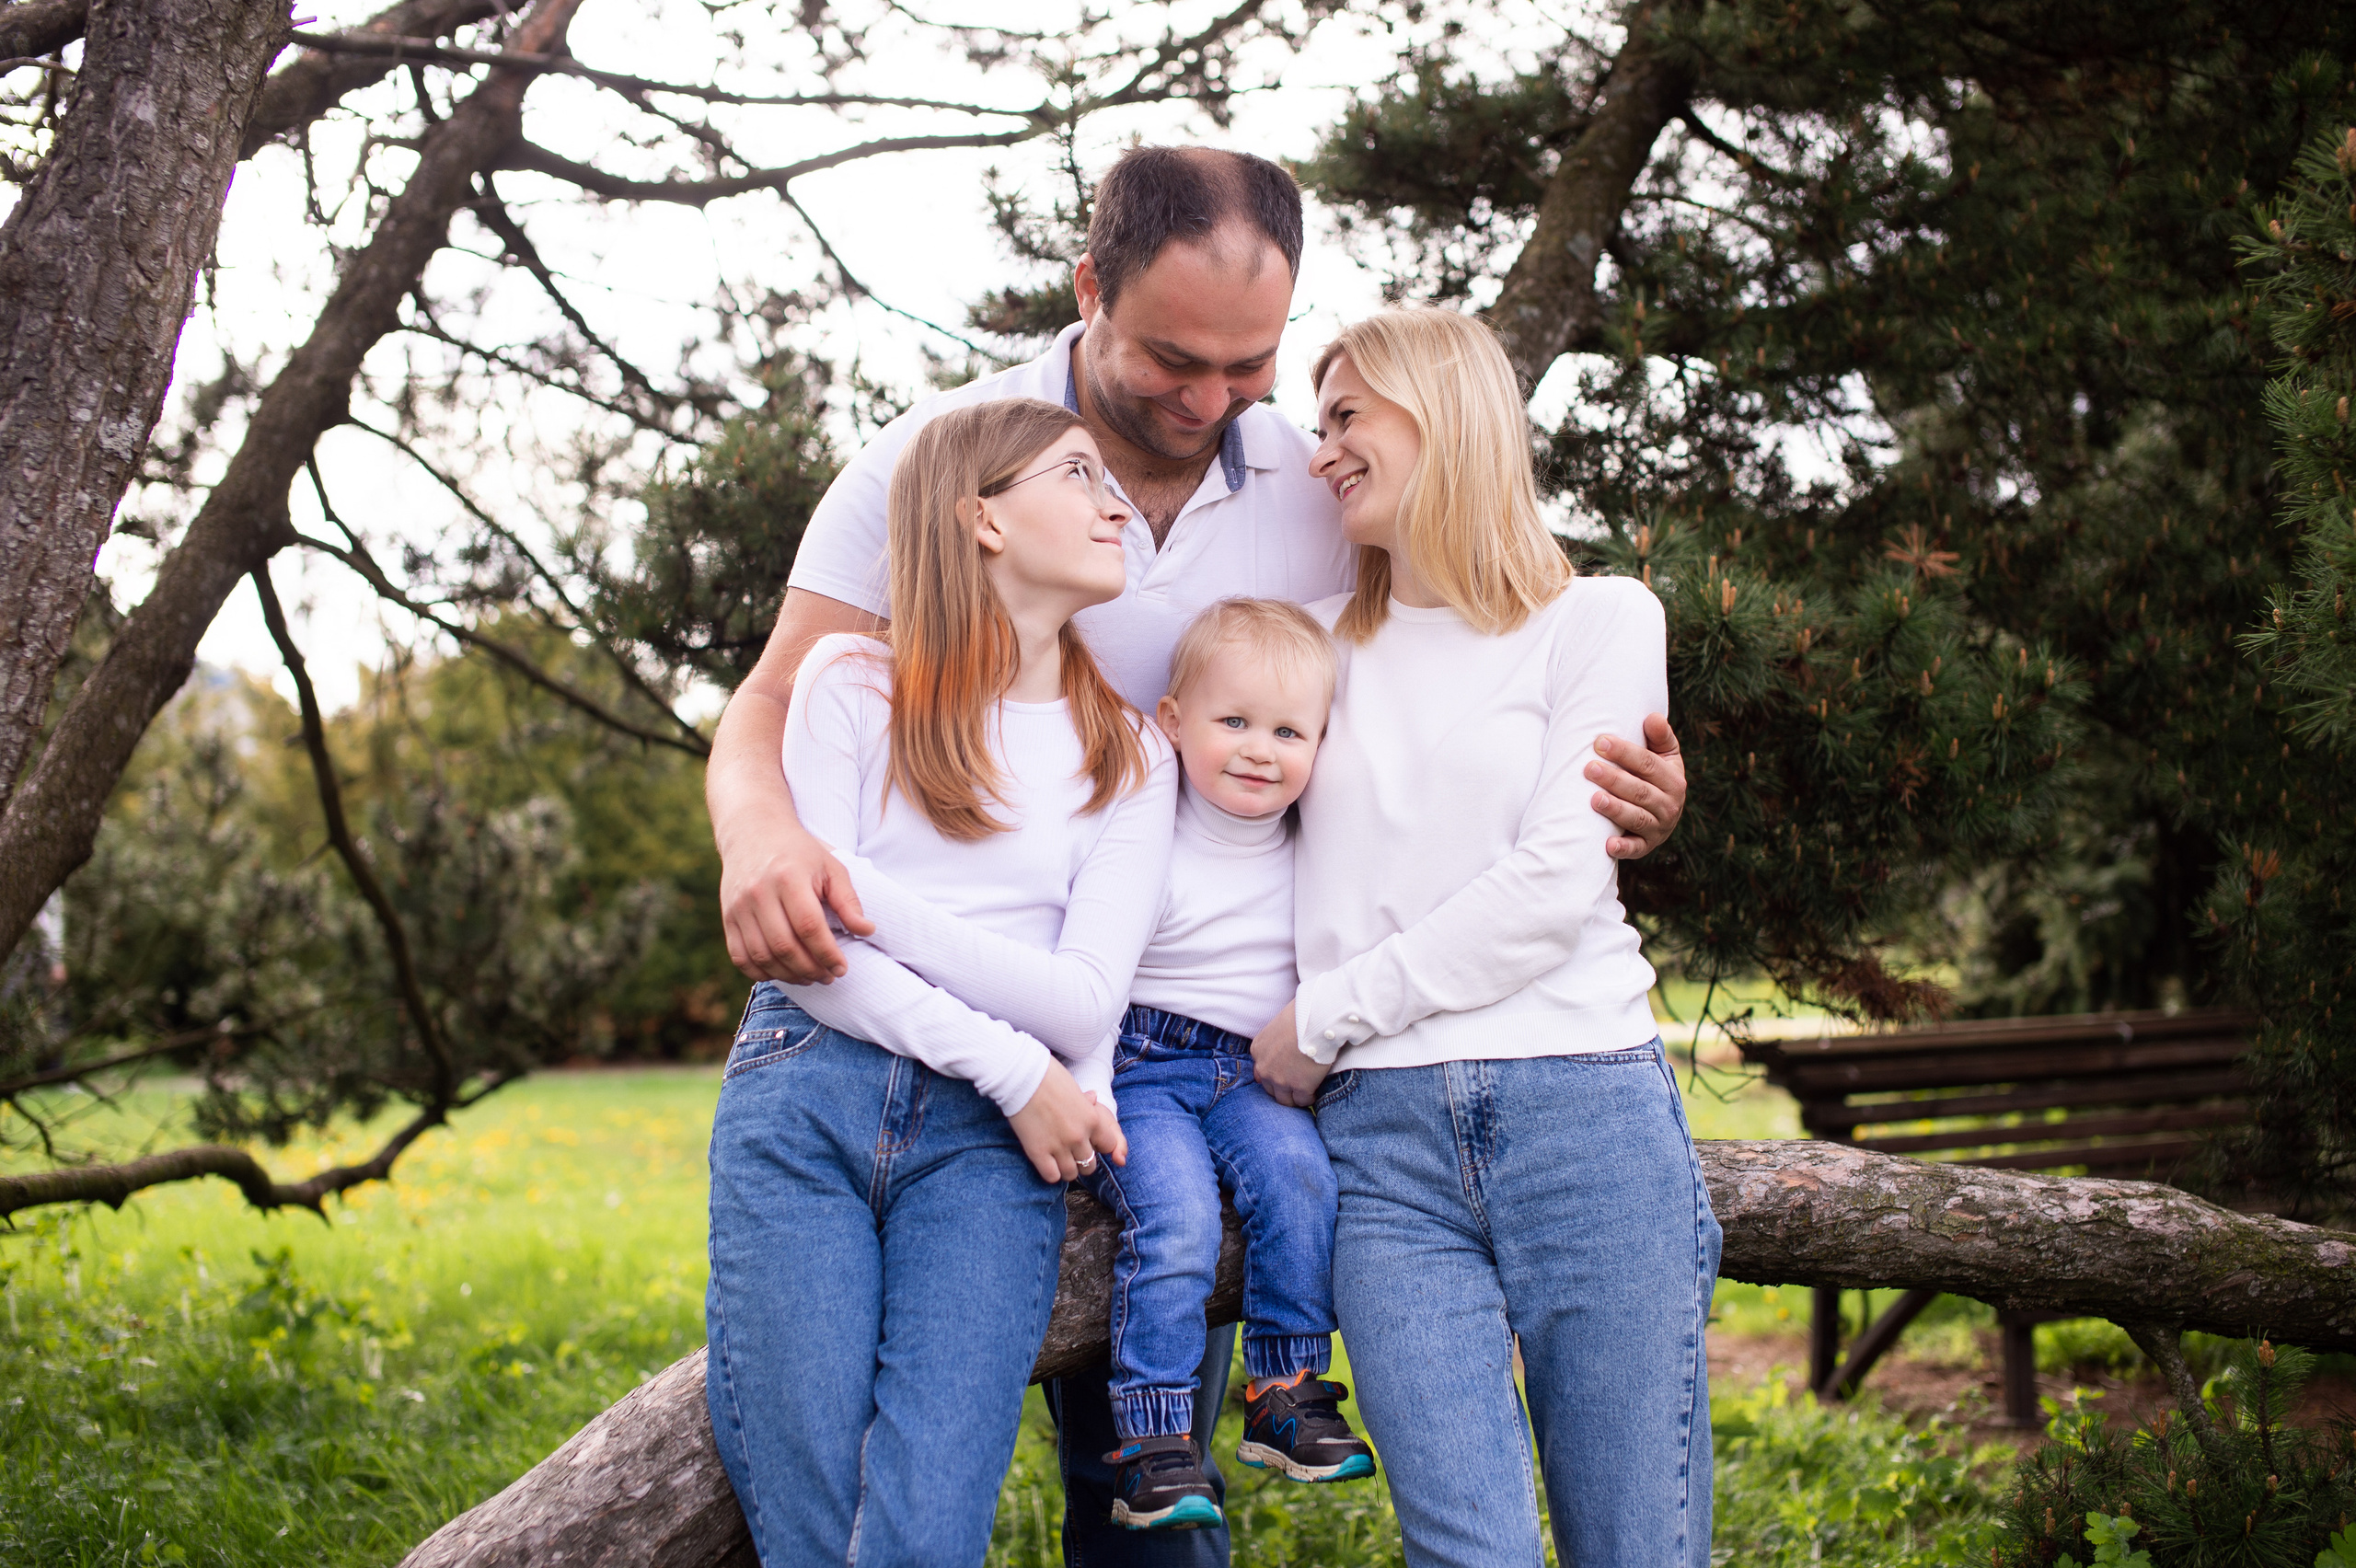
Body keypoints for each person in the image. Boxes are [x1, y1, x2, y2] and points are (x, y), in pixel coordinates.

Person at [700, 145, 1692, 1567]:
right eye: (1174, 358)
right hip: (911, 1010)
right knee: (826, 1464)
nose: (1212, 400)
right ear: (1089, 288)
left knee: (1145, 1497)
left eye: (1251, 365)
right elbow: (781, 693)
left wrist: (1622, 787)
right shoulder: (947, 456)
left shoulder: (1312, 484)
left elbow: (1458, 658)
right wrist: (760, 836)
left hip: (1173, 1038)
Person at [1250, 308, 1724, 1568]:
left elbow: (1556, 886)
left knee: (1638, 1545)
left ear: (1443, 410)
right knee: (1468, 1553)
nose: (1321, 451)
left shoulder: (1599, 619)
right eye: (1316, 424)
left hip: (1585, 1114)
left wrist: (1323, 1016)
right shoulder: (1305, 646)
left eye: (1346, 416)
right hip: (1381, 1151)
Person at [703, 398, 1173, 1567]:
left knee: (929, 1529)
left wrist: (857, 890)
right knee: (810, 1523)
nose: (1117, 505)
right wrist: (1013, 1063)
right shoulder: (852, 684)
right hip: (812, 1092)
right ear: (983, 519)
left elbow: (1082, 1000)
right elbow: (818, 968)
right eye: (1079, 475)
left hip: (985, 1147)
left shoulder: (1131, 753)